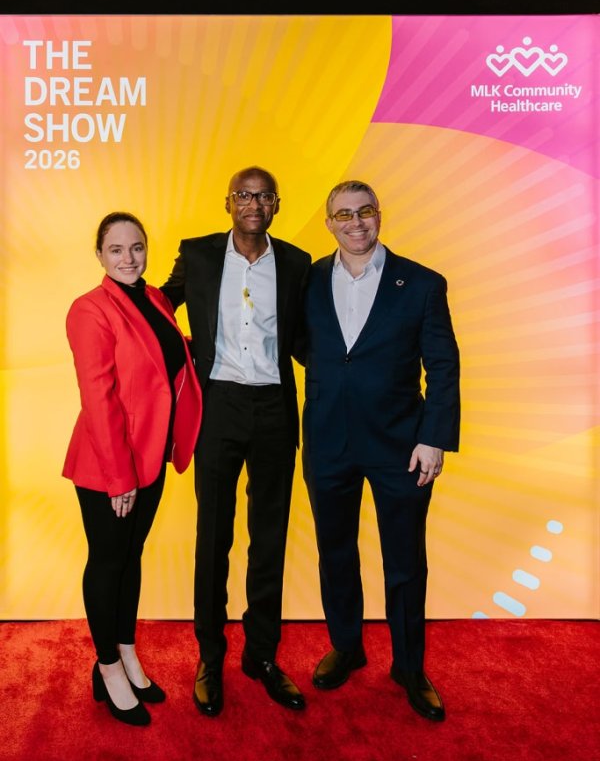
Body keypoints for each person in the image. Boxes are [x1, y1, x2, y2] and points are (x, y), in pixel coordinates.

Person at [302, 181, 460, 722]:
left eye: (365, 211)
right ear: (329, 223)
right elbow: (305, 348)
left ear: (379, 216)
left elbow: (442, 366)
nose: (355, 222)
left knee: (405, 561)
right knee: (336, 552)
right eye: (343, 214)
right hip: (327, 443)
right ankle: (347, 646)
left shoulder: (420, 284)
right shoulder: (308, 280)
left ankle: (410, 667)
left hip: (402, 446)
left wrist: (434, 436)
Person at [162, 166, 312, 716]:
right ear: (229, 202)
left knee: (269, 536)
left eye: (263, 196)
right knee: (213, 536)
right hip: (218, 406)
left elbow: (305, 339)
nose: (253, 204)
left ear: (276, 205)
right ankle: (209, 655)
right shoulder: (199, 255)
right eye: (243, 195)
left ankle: (263, 656)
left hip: (274, 408)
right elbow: (158, 309)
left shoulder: (297, 264)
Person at [63, 212, 202, 726]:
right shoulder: (89, 310)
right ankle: (106, 667)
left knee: (131, 556)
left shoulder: (156, 299)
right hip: (108, 463)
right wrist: (119, 478)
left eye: (137, 247)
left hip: (152, 456)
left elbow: (168, 363)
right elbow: (99, 400)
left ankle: (125, 652)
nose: (128, 258)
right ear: (99, 254)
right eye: (117, 249)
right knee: (107, 561)